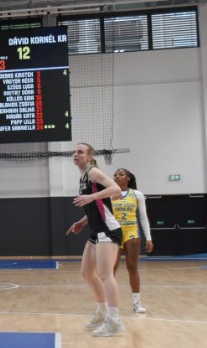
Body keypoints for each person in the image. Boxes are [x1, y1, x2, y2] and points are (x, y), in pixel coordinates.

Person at [65, 143, 126, 337]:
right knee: (86, 273)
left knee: (105, 274)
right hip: (96, 230)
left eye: (80, 152)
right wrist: (82, 222)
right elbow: (97, 205)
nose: (75, 154)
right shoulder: (84, 177)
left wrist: (92, 196)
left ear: (89, 157)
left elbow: (116, 188)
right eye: (74, 152)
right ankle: (101, 313)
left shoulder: (93, 172)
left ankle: (114, 321)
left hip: (109, 230)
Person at [111, 168, 154, 314]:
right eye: (115, 175)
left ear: (128, 178)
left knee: (132, 267)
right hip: (115, 233)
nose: (117, 177)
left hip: (132, 232)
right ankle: (109, 303)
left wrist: (148, 238)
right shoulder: (109, 194)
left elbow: (143, 217)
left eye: (121, 174)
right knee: (111, 269)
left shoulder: (137, 194)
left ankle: (137, 303)